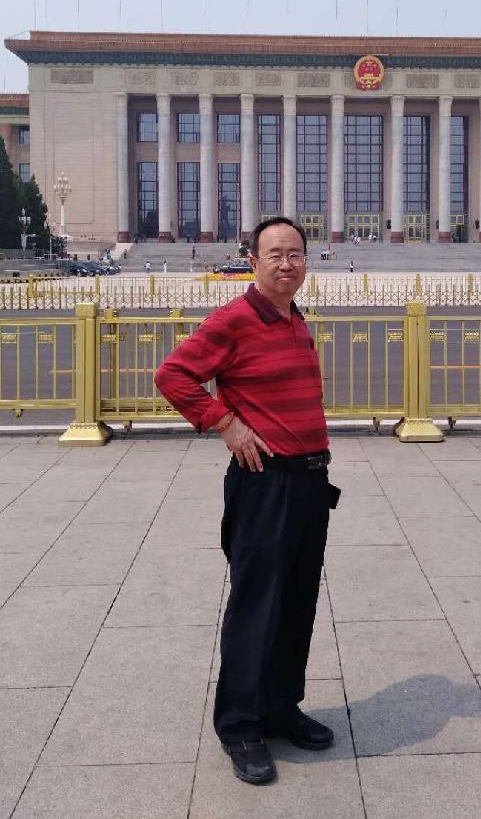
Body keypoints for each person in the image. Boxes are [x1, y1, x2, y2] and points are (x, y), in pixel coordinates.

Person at [154, 216, 339, 786]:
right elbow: (173, 375)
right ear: (253, 261)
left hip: (308, 483)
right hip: (265, 485)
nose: (287, 263)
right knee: (256, 606)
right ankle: (239, 726)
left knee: (296, 603)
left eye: (295, 254)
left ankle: (281, 707)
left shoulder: (294, 318)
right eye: (274, 254)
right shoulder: (234, 319)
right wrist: (225, 423)